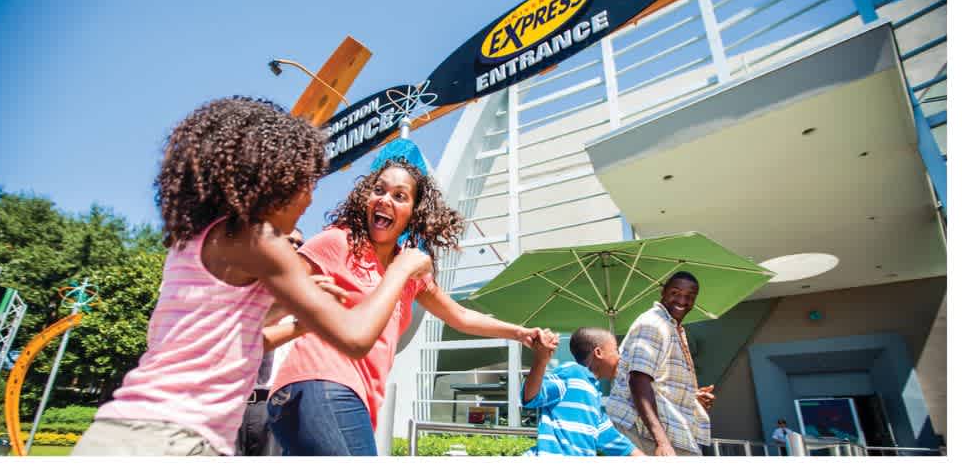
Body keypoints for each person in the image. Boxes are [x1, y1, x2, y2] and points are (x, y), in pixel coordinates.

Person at [72, 97, 432, 456]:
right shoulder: (259, 241)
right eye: (307, 180)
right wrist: (400, 270)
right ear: (276, 180)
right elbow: (355, 338)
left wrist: (297, 326)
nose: (310, 198)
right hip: (174, 438)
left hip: (126, 428)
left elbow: (228, 340)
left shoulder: (198, 240)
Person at [268, 158, 543, 456]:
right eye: (379, 190)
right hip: (317, 382)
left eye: (399, 196)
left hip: (355, 397)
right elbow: (270, 296)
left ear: (414, 214)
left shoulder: (410, 272)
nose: (385, 199)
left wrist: (520, 333)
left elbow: (460, 316)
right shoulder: (338, 241)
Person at [605, 271, 715, 456]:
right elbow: (638, 380)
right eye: (675, 293)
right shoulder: (654, 324)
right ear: (663, 292)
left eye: (690, 296)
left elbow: (657, 381)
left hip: (669, 430)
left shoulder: (671, 326)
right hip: (646, 434)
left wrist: (691, 398)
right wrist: (662, 441)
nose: (682, 300)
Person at [234, 229, 305, 456]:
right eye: (290, 240)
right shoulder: (245, 285)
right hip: (233, 399)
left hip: (275, 405)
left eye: (299, 244)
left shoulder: (304, 295)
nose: (295, 246)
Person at [522, 327, 644, 457]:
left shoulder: (594, 396)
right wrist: (541, 360)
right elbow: (530, 397)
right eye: (616, 350)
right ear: (598, 352)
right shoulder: (572, 373)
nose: (619, 357)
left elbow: (614, 440)